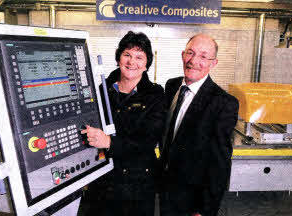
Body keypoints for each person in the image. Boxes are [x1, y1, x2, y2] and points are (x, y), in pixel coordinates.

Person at [81, 31, 166, 216]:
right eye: (127, 54)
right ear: (119, 57)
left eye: (139, 57)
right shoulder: (102, 88)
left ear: (146, 64)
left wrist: (110, 143)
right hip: (103, 179)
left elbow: (147, 141)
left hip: (136, 185)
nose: (131, 62)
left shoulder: (156, 95)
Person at [160, 33, 239, 216]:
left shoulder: (223, 103)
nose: (194, 60)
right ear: (182, 55)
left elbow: (220, 163)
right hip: (166, 189)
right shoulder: (171, 86)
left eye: (203, 56)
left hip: (193, 199)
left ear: (213, 63)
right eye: (190, 53)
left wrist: (204, 210)